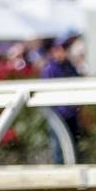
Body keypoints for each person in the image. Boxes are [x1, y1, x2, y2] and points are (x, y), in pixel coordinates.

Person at [40, 34, 82, 163]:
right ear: (53, 51)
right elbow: (45, 94)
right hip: (57, 114)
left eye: (65, 48)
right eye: (61, 48)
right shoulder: (49, 69)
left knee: (74, 147)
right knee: (59, 149)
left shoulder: (70, 66)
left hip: (71, 113)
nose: (64, 52)